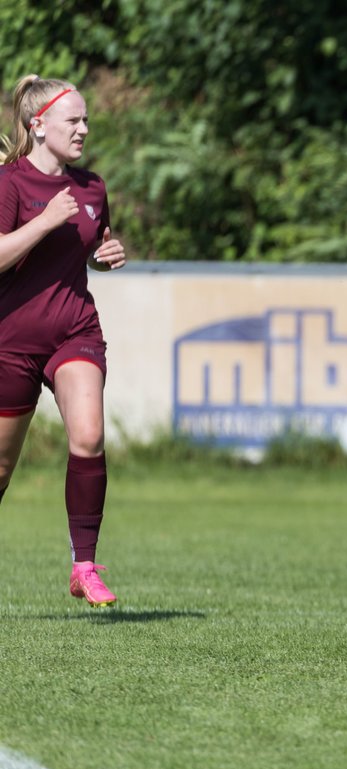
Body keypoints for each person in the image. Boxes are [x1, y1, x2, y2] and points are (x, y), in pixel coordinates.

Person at [0, 75, 128, 607]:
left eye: (85, 119)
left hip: (75, 329)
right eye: (72, 120)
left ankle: (84, 566)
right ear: (38, 125)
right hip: (10, 340)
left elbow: (91, 241)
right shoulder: (8, 184)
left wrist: (108, 250)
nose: (83, 128)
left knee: (89, 436)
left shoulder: (92, 186)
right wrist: (44, 222)